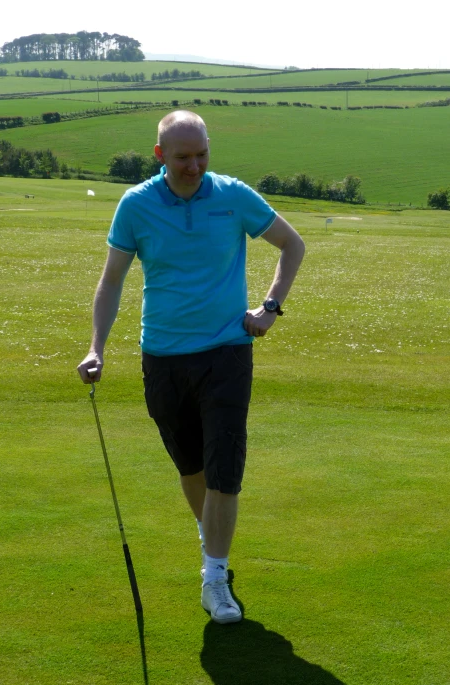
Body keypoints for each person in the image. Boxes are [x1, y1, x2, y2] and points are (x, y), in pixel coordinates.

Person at [78, 110, 305, 625]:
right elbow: (112, 280)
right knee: (192, 468)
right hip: (161, 356)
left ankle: (215, 577)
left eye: (202, 154)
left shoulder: (233, 196)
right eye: (182, 157)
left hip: (227, 352)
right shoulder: (135, 205)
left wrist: (269, 308)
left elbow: (293, 245)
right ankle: (213, 541)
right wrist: (97, 347)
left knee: (225, 468)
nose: (194, 166)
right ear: (160, 156)